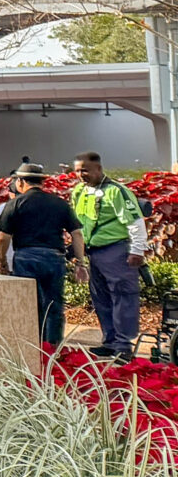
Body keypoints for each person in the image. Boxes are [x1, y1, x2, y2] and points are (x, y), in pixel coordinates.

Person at [0, 161, 84, 351]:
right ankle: (54, 347)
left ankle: (33, 346)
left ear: (21, 182)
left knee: (29, 305)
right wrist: (80, 263)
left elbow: (2, 238)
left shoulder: (15, 203)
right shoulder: (59, 203)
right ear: (41, 182)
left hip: (26, 257)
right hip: (54, 257)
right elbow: (77, 234)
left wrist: (1, 261)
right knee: (54, 304)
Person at [70, 151, 150, 363]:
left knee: (123, 297)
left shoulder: (117, 192)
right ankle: (110, 342)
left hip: (116, 250)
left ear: (98, 169)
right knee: (101, 298)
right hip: (93, 251)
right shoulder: (79, 191)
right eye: (77, 170)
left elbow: (135, 221)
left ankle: (123, 346)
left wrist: (137, 251)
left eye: (85, 170)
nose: (81, 174)